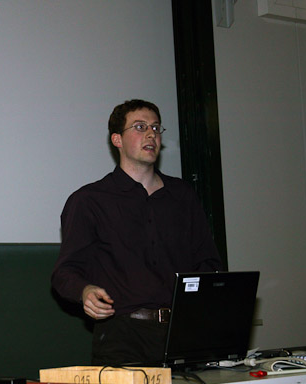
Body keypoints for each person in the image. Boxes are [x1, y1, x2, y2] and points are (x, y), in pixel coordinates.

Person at [51, 99, 222, 366]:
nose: (151, 134)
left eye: (155, 127)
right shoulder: (89, 200)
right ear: (117, 139)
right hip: (123, 337)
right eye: (140, 127)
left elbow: (208, 262)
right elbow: (65, 272)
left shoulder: (182, 195)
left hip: (183, 333)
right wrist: (85, 291)